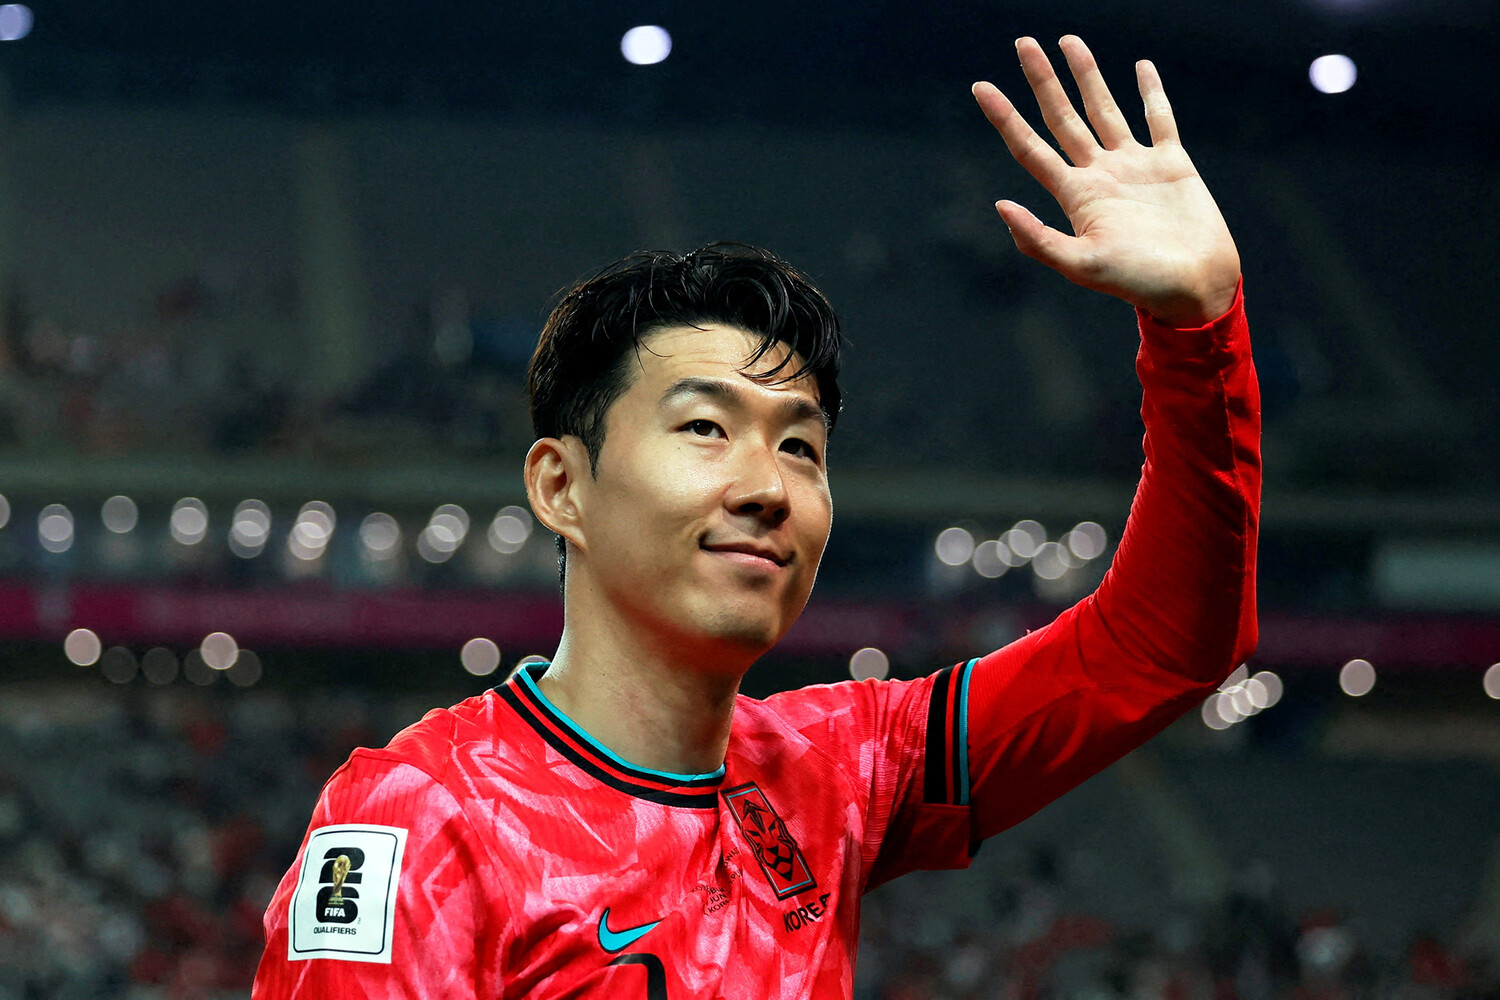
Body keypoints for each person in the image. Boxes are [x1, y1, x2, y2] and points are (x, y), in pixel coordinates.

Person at [252, 34, 1259, 999]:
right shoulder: (418, 820)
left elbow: (1160, 646)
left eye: (800, 446)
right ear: (562, 487)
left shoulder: (839, 770)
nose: (768, 487)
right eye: (704, 427)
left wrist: (1197, 331)